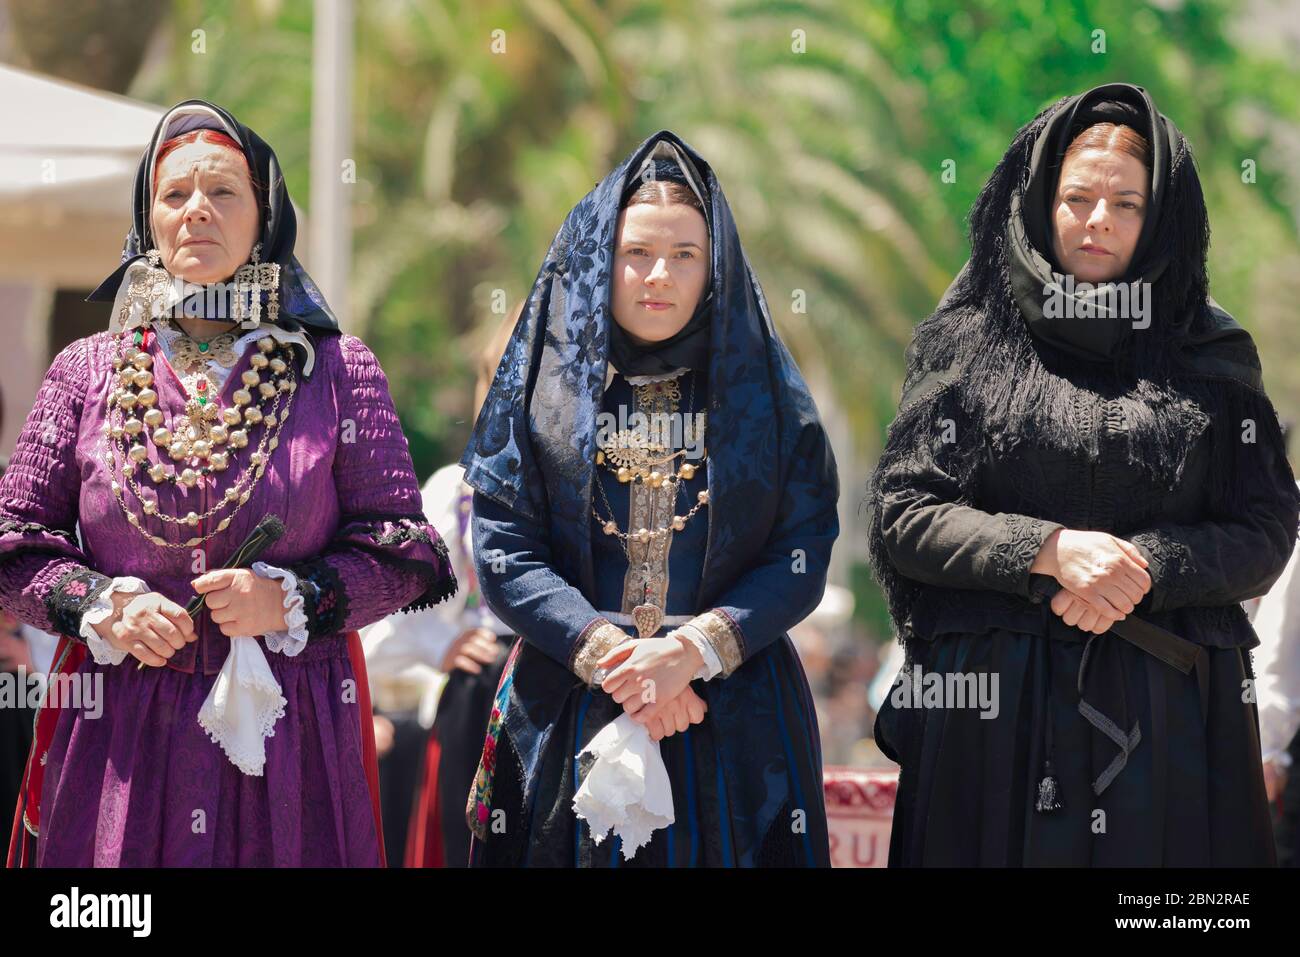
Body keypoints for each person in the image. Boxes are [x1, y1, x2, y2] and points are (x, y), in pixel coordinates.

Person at [0, 99, 456, 867]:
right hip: (121, 731)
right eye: (174, 195)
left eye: (223, 194)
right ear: (149, 220)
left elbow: (405, 552)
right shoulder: (86, 370)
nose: (197, 212)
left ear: (264, 216)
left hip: (290, 732)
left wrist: (295, 598)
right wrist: (100, 605)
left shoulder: (337, 369)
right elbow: (14, 545)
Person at [866, 83, 1300, 866]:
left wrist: (1145, 568)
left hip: (1171, 723)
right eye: (1078, 197)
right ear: (1039, 199)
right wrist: (1048, 550)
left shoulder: (1213, 355)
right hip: (992, 721)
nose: (1098, 221)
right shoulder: (966, 340)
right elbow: (905, 511)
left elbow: (1265, 528)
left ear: (1161, 214)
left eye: (1126, 204)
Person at [460, 131, 840, 867]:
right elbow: (504, 547)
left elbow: (803, 551)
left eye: (684, 255)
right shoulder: (542, 394)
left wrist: (691, 653)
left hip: (735, 719)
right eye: (636, 252)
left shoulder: (767, 402)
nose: (658, 274)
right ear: (601, 258)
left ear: (715, 266)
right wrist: (618, 661)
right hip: (567, 707)